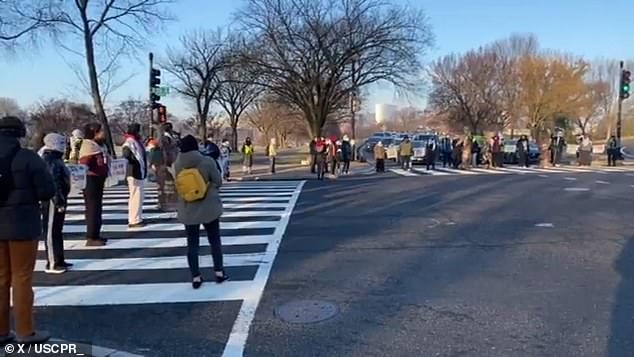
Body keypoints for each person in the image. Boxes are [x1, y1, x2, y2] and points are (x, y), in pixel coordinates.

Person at [0, 116, 55, 344]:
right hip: (22, 225)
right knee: (22, 278)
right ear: (20, 133)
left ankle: (1, 331)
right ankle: (25, 331)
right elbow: (46, 191)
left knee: (0, 277)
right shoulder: (28, 158)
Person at [174, 135, 229, 289]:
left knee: (192, 245)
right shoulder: (207, 161)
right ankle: (219, 272)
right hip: (208, 207)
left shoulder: (178, 164)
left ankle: (196, 277)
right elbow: (218, 181)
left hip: (188, 208)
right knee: (214, 241)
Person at [39, 133, 72, 274]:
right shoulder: (50, 159)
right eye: (61, 142)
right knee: (51, 231)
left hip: (59, 198)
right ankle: (52, 262)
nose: (64, 145)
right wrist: (58, 200)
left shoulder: (55, 158)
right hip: (52, 200)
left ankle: (59, 259)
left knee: (57, 230)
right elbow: (54, 182)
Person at [79, 122, 109, 247]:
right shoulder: (88, 146)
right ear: (94, 132)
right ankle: (91, 236)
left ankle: (96, 234)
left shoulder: (99, 145)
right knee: (92, 208)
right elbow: (83, 164)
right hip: (91, 180)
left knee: (97, 208)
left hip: (98, 179)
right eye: (100, 131)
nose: (102, 133)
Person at [122, 123, 147, 228]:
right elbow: (126, 156)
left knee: (137, 196)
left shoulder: (136, 142)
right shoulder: (129, 142)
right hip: (133, 172)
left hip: (137, 171)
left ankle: (136, 218)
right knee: (135, 196)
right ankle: (134, 220)